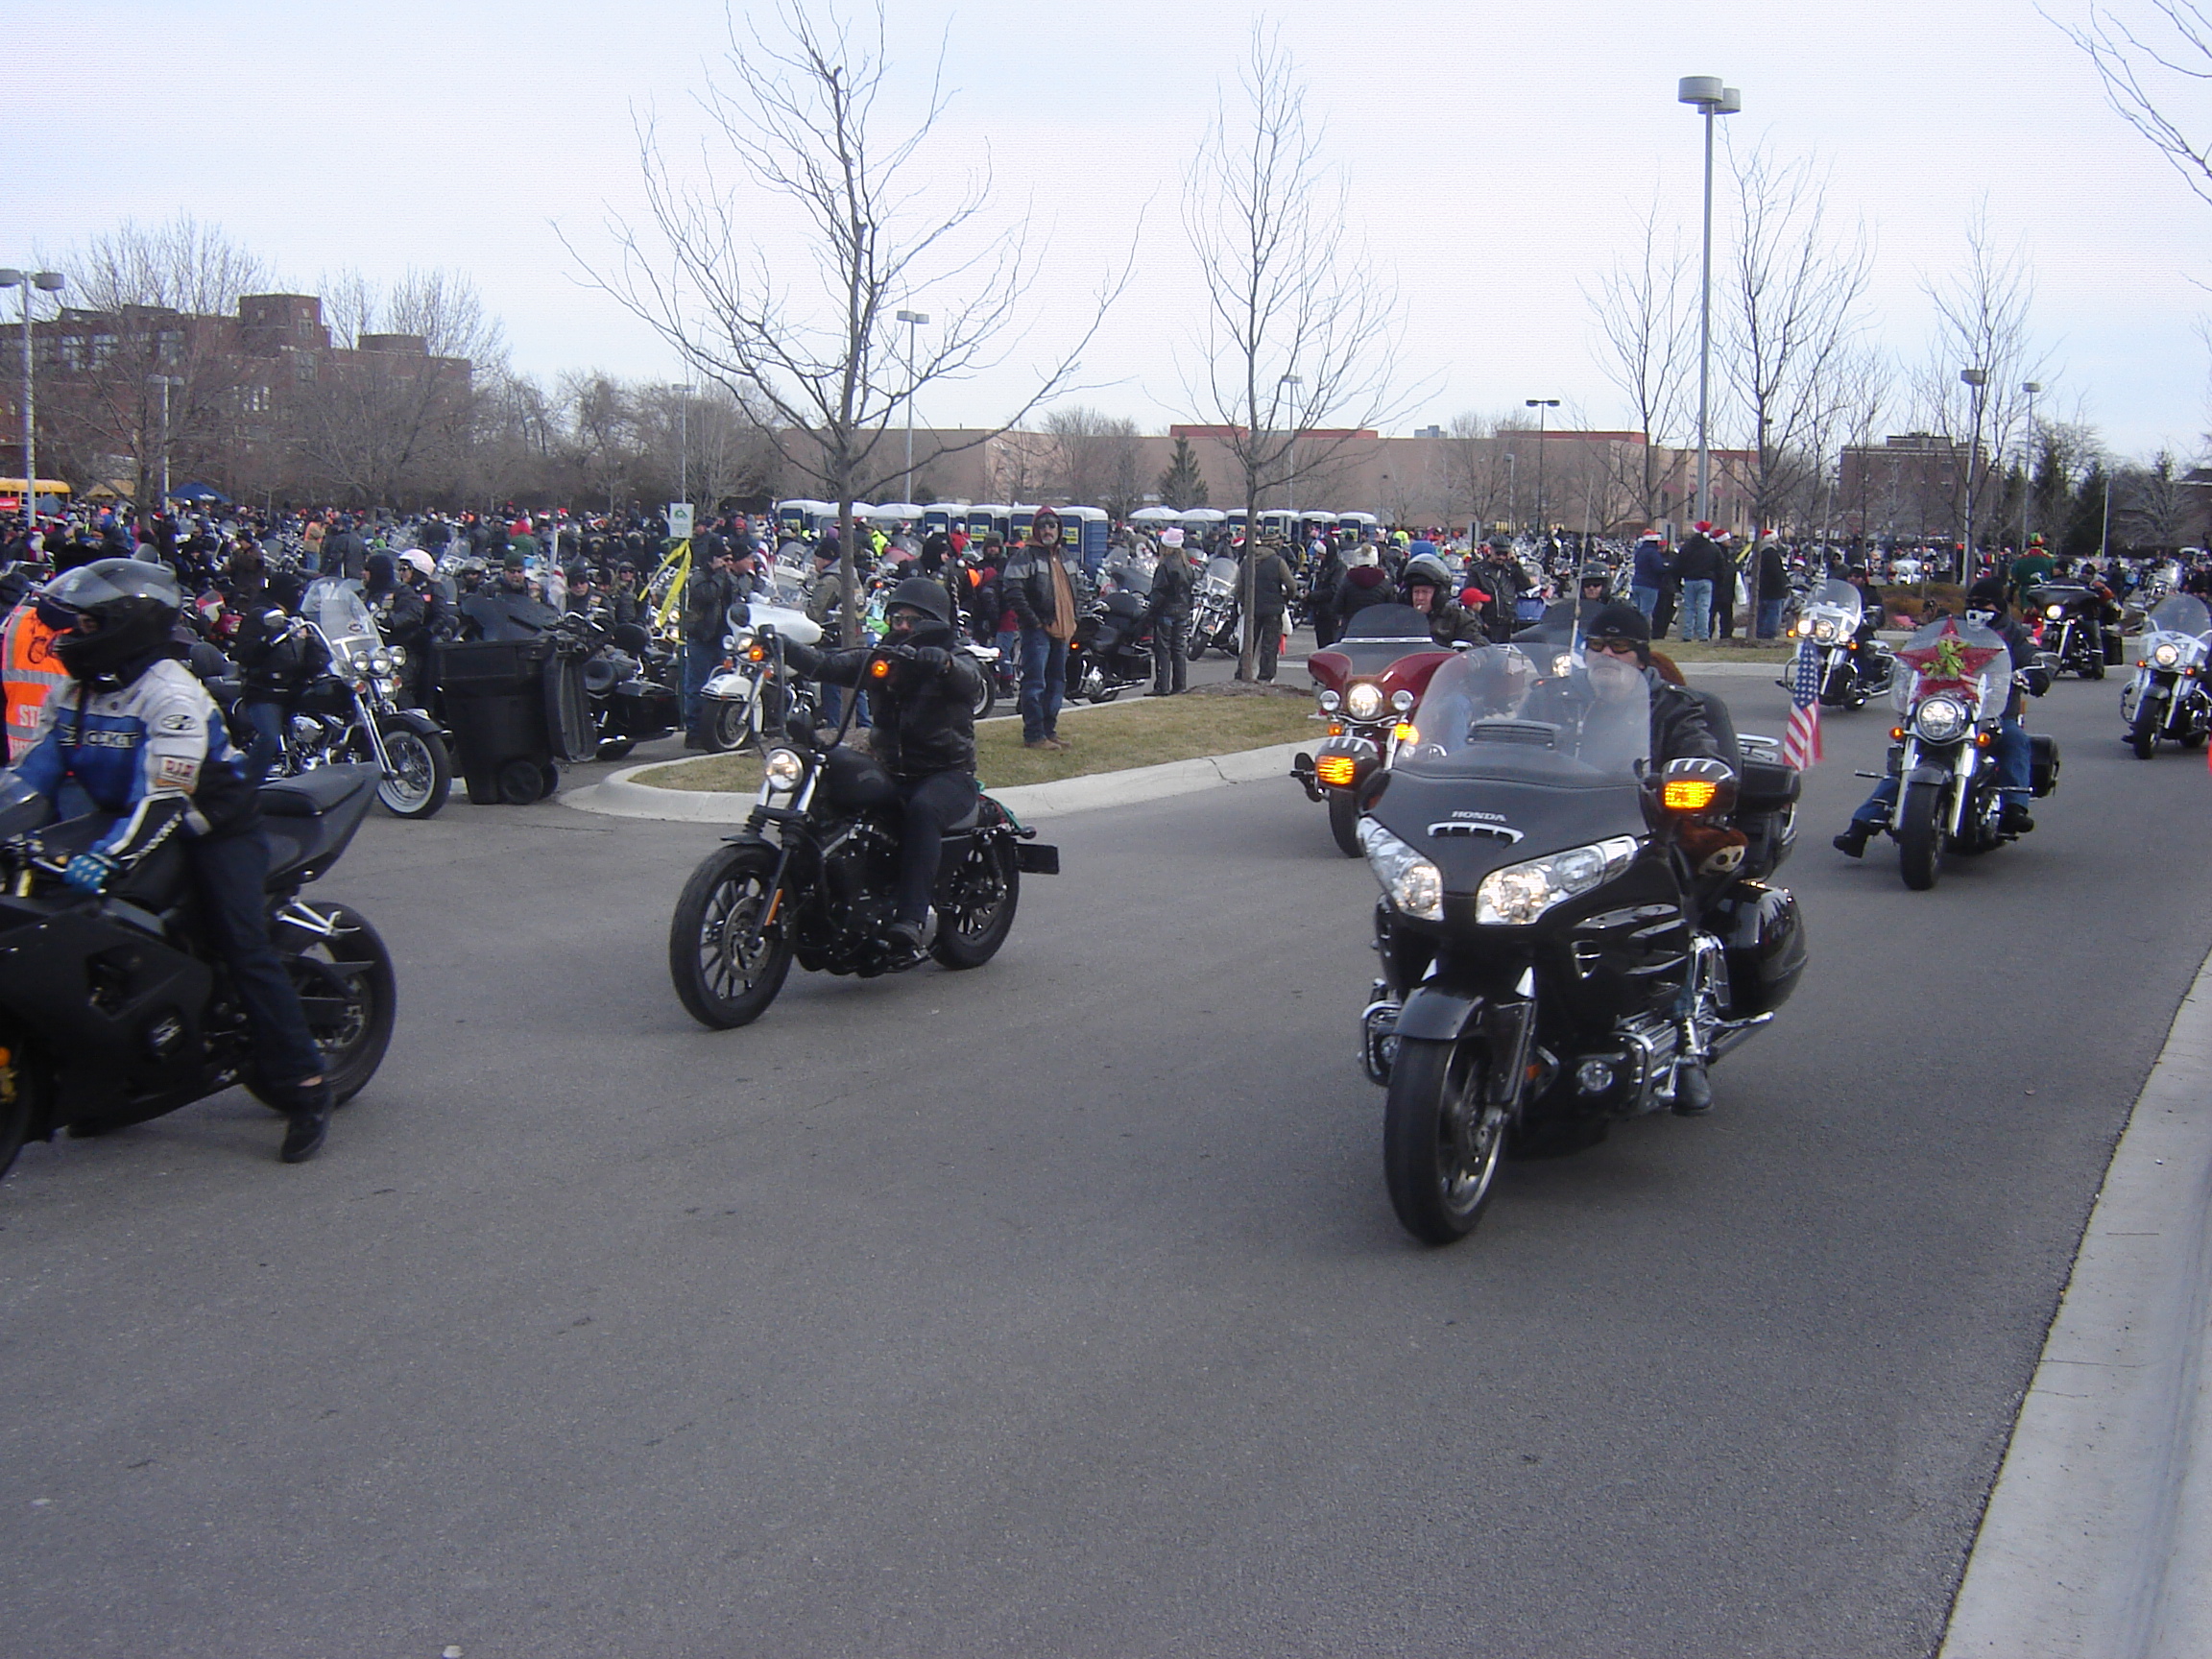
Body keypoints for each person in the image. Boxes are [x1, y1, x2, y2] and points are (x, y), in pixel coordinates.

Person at [10, 561, 332, 1160]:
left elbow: (163, 801)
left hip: (213, 832)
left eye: (81, 625)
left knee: (244, 945)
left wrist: (108, 859)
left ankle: (305, 1083)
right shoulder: (76, 692)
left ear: (124, 625)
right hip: (121, 824)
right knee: (65, 933)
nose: (65, 637)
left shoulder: (172, 693)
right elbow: (33, 778)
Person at [782, 577, 981, 958]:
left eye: (912, 619)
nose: (901, 626)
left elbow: (971, 679)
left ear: (934, 621)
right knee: (828, 777)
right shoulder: (881, 659)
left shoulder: (953, 656)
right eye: (896, 617)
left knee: (923, 809)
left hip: (947, 775)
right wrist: (781, 645)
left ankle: (910, 919)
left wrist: (943, 664)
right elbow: (824, 664)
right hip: (891, 770)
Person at [1833, 576, 2045, 857]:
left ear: (1999, 606)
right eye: (1972, 603)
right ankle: (1861, 825)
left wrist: (2035, 673)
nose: (1977, 609)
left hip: (1992, 713)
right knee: (1908, 756)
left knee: (2015, 738)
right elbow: (1922, 649)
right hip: (1942, 710)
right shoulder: (1952, 629)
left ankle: (2016, 807)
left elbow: (2033, 661)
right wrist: (1903, 668)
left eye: (1984, 604)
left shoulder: (2013, 635)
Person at [1003, 506, 1079, 751]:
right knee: (1035, 683)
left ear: (1059, 529)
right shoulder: (1024, 556)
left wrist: (1076, 617)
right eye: (1043, 525)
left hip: (1063, 628)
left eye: (1052, 525)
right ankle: (1034, 734)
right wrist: (1034, 620)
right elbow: (1013, 591)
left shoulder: (1066, 556)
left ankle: (1049, 731)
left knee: (1057, 681)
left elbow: (1079, 588)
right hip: (1037, 630)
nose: (1048, 530)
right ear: (1036, 529)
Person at [1400, 554, 1486, 648]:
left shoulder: (1456, 618)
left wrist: (1462, 651)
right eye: (1416, 592)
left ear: (1439, 594)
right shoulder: (1401, 618)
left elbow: (1481, 644)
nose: (1420, 598)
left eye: (1425, 592)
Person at [1145, 535, 1192, 695]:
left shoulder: (1165, 565)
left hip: (1166, 610)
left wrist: (1151, 609)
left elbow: (1159, 590)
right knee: (1179, 649)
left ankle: (1162, 686)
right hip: (1182, 610)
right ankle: (1180, 685)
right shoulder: (1186, 565)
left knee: (1163, 649)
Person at [1244, 536, 1295, 681]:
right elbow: (1291, 585)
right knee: (1270, 646)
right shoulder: (1278, 562)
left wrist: (1244, 602)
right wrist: (1285, 599)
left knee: (1248, 644)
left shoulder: (1247, 561)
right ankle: (1266, 677)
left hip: (1252, 608)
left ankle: (1243, 673)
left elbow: (1239, 586)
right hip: (1273, 608)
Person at [1332, 544, 1399, 635]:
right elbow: (1391, 608)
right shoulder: (1384, 582)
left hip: (1352, 630)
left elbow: (1337, 607)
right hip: (1377, 632)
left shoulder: (1347, 581)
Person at [1674, 523, 1723, 642]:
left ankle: (1687, 634)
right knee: (1704, 608)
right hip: (1706, 580)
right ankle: (1703, 635)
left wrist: (1678, 581)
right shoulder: (1713, 548)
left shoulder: (1687, 547)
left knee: (1689, 608)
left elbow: (1678, 565)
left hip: (1690, 580)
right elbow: (1720, 566)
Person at [1630, 531, 1671, 620]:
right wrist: (1669, 568)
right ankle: (1644, 632)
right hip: (1649, 585)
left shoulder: (1640, 551)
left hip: (1636, 583)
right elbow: (1658, 568)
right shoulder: (1653, 553)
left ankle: (1634, 631)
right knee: (1646, 613)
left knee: (1636, 612)